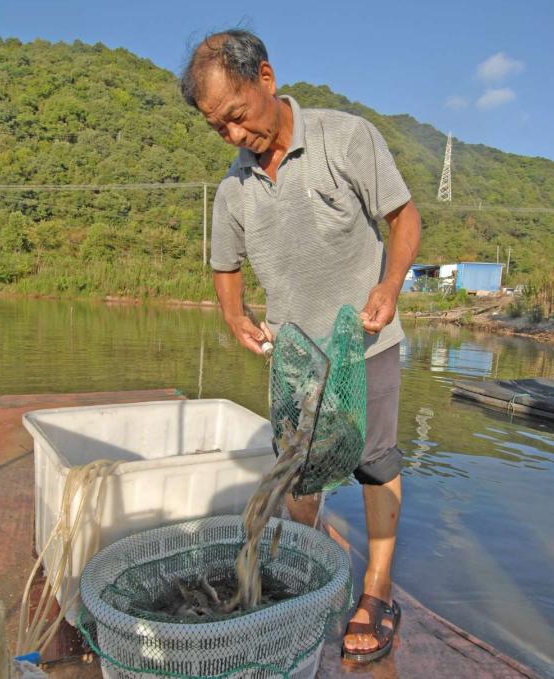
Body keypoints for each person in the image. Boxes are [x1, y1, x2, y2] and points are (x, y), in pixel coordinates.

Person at [181, 30, 421, 665]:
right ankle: (314, 568)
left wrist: (389, 285)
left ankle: (376, 590)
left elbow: (404, 219)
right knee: (296, 467)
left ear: (265, 77)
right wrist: (234, 316)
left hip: (362, 340)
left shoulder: (346, 139)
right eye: (218, 128)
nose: (233, 136)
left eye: (237, 115)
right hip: (295, 358)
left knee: (374, 460)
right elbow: (224, 267)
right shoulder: (233, 191)